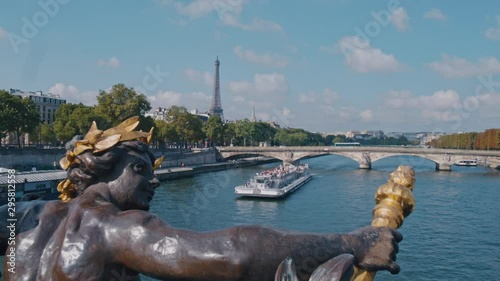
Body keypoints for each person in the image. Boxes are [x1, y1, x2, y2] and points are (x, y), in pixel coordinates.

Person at [4, 117, 402, 281]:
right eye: (141, 168)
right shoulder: (112, 227)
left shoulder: (25, 215)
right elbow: (235, 251)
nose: (155, 181)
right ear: (103, 168)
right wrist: (352, 242)